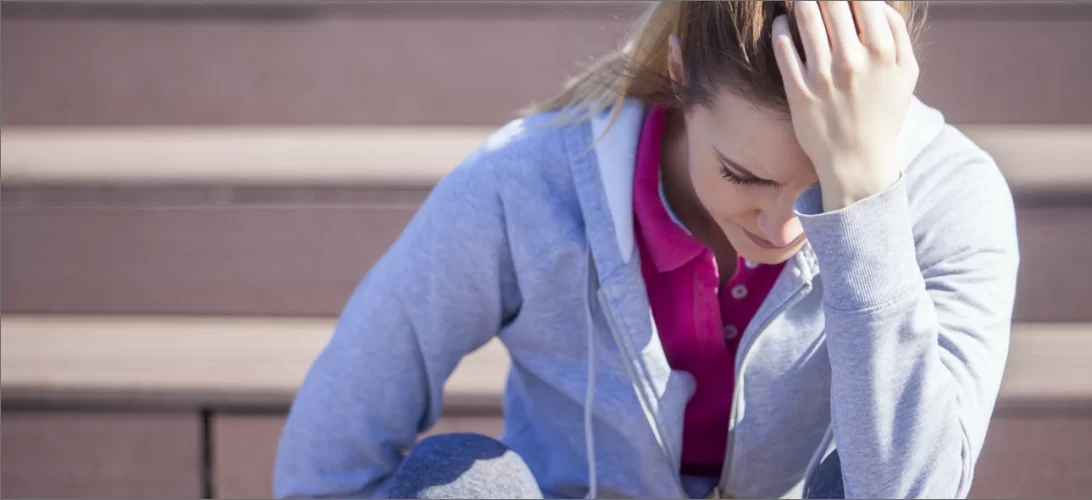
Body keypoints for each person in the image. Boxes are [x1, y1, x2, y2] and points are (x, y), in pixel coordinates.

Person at [273, 1, 1019, 498]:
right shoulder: (526, 182)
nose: (782, 227)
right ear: (679, 74)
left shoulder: (951, 196)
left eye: (819, 188)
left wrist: (862, 212)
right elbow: (330, 450)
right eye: (744, 176)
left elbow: (909, 492)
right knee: (459, 485)